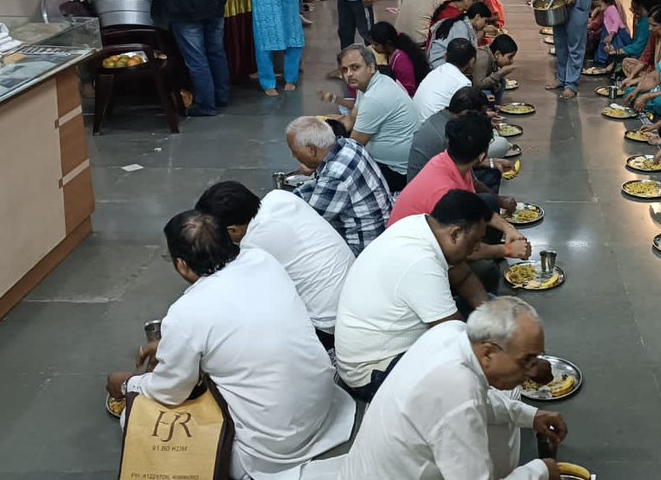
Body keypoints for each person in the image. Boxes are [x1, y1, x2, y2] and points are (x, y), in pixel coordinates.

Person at [105, 211, 355, 480]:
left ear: (181, 265)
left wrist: (127, 384)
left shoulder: (186, 313)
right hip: (324, 407)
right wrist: (173, 345)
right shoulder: (263, 260)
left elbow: (171, 392)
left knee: (135, 418)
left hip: (273, 445)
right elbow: (238, 329)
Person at [340, 297, 569, 479]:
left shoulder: (452, 332)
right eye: (525, 361)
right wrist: (540, 471)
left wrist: (532, 416)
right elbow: (463, 404)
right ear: (489, 353)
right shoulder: (456, 390)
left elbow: (480, 400)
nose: (532, 372)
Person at [334, 190, 495, 400]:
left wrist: (492, 320)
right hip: (373, 372)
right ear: (455, 234)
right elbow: (455, 340)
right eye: (474, 241)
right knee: (469, 378)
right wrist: (512, 359)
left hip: (383, 343)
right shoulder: (420, 262)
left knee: (492, 308)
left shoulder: (422, 226)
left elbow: (463, 277)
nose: (476, 249)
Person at [195, 181, 353, 347]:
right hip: (352, 300)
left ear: (232, 230)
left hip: (326, 326)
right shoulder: (279, 197)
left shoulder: (255, 244)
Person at [389, 112, 528, 245]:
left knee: (488, 203)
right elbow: (455, 249)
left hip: (429, 238)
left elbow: (475, 207)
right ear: (482, 156)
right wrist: (505, 251)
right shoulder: (445, 189)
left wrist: (507, 227)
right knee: (484, 267)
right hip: (410, 251)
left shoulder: (450, 161)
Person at [287, 115, 393, 255]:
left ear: (311, 150)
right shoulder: (349, 144)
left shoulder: (335, 174)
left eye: (294, 151)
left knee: (294, 245)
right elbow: (319, 187)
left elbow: (312, 220)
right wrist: (289, 198)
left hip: (362, 246)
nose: (293, 156)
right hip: (383, 226)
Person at [336, 44, 419, 191]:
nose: (348, 74)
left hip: (396, 173)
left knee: (336, 172)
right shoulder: (369, 85)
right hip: (399, 165)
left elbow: (353, 147)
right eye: (344, 70)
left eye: (355, 68)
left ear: (371, 67)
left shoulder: (375, 98)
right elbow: (351, 119)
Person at [408, 86, 512, 182]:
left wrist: (490, 162)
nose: (483, 117)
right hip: (433, 190)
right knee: (492, 177)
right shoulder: (450, 135)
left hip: (435, 178)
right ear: (466, 113)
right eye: (482, 114)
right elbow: (470, 180)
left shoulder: (443, 116)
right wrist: (499, 201)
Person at [414, 38, 476, 123]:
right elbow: (464, 117)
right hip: (435, 128)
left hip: (417, 123)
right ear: (472, 61)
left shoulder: (436, 71)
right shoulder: (463, 83)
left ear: (445, 56)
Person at [369, 21, 430, 96]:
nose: (373, 47)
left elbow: (409, 90)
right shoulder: (391, 53)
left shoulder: (402, 60)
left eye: (376, 44)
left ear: (387, 43)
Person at [428, 2, 491, 69]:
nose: (486, 25)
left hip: (441, 62)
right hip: (438, 64)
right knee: (483, 58)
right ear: (477, 17)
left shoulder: (462, 24)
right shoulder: (461, 26)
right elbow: (462, 53)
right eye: (486, 21)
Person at [621, 1, 661, 83]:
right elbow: (645, 56)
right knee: (626, 62)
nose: (650, 28)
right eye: (649, 25)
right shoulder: (654, 34)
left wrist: (637, 80)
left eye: (654, 25)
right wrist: (631, 77)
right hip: (651, 70)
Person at [591, 0, 631, 69]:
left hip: (616, 33)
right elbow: (593, 16)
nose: (598, 8)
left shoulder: (611, 9)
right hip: (609, 32)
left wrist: (611, 35)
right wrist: (597, 10)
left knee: (615, 50)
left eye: (599, 5)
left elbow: (617, 21)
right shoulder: (606, 9)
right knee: (606, 49)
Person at [474, 33, 518, 102]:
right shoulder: (483, 57)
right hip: (467, 89)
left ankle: (496, 106)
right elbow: (478, 85)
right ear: (497, 54)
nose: (511, 61)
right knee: (486, 93)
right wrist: (500, 73)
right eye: (510, 57)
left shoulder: (491, 57)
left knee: (501, 82)